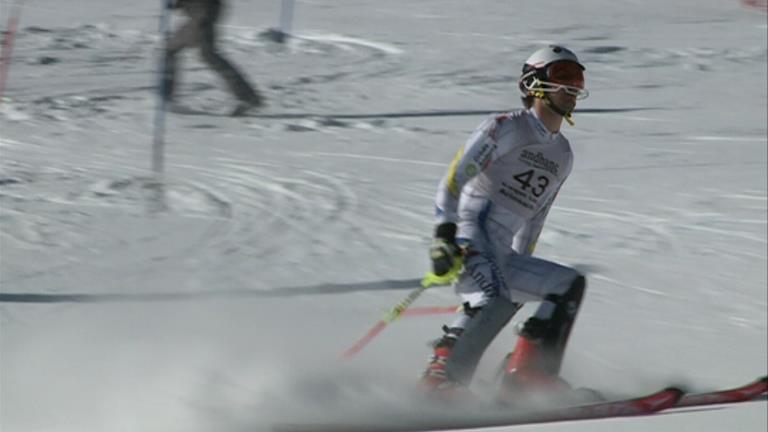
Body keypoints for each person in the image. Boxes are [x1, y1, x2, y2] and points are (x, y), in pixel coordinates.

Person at [419, 45, 590, 404]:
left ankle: (529, 373)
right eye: (562, 76)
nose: (572, 86)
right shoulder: (508, 127)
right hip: (470, 235)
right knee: (493, 297)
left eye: (578, 78)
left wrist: (522, 261)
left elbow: (537, 215)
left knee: (567, 284)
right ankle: (441, 377)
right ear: (533, 83)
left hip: (502, 250)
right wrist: (445, 235)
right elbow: (454, 179)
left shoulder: (563, 154)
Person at [163, 0, 264, 116]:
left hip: (202, 14)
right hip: (201, 14)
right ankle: (165, 97)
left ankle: (248, 98)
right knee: (179, 51)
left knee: (206, 55)